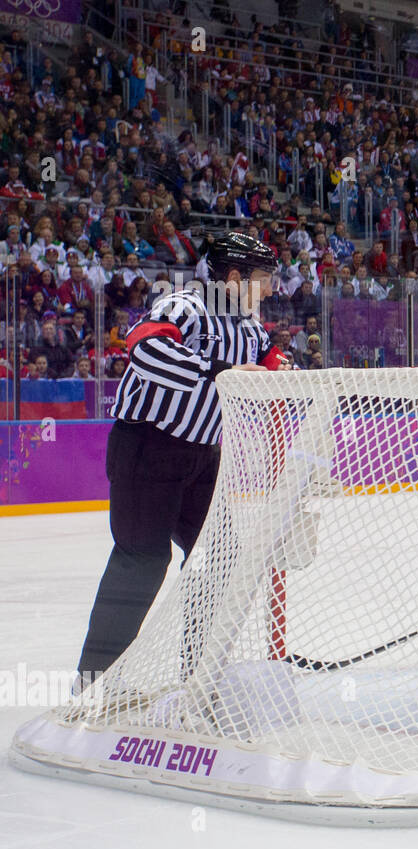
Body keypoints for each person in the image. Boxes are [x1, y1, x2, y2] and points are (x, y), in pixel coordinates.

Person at [75, 232, 290, 688]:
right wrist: (219, 372)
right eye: (263, 279)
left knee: (219, 556)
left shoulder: (249, 327)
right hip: (149, 450)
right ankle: (94, 682)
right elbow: (144, 347)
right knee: (144, 559)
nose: (271, 289)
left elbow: (272, 365)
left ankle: (198, 673)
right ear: (233, 278)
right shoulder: (185, 306)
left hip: (203, 460)